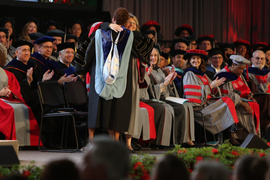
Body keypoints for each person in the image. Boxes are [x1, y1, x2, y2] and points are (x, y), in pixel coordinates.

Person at [75, 7, 154, 141]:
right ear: (126, 22)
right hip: (121, 78)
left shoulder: (99, 33)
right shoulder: (132, 36)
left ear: (113, 19)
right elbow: (148, 44)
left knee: (96, 109)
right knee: (116, 111)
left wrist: (81, 70)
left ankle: (91, 141)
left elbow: (86, 53)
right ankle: (115, 142)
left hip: (99, 77)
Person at [182, 49, 239, 140]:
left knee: (228, 100)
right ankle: (230, 132)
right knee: (226, 101)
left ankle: (230, 133)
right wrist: (211, 86)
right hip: (198, 107)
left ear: (201, 61)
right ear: (189, 60)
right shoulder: (189, 74)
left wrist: (215, 87)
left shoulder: (202, 75)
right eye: (193, 58)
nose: (196, 60)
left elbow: (211, 89)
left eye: (198, 59)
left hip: (206, 103)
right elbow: (193, 96)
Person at [149, 47, 196, 147]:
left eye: (156, 55)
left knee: (187, 105)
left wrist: (170, 83)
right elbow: (149, 90)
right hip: (155, 98)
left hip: (166, 97)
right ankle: (166, 142)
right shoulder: (146, 70)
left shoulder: (160, 70)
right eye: (151, 55)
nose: (154, 58)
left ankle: (185, 138)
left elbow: (168, 88)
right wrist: (164, 84)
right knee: (177, 108)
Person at [0, 43, 40, 146]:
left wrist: (9, 92)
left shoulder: (6, 73)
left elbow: (15, 88)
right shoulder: (10, 69)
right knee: (10, 109)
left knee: (24, 107)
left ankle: (24, 143)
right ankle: (10, 142)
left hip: (6, 99)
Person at [214, 55, 260, 141]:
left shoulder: (237, 74)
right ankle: (241, 138)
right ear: (233, 65)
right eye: (239, 68)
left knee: (254, 105)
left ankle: (254, 137)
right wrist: (243, 104)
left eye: (243, 69)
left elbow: (245, 88)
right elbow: (228, 96)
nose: (241, 71)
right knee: (246, 108)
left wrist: (248, 96)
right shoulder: (224, 75)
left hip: (238, 100)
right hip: (225, 105)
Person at [246, 50, 270, 138]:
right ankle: (267, 126)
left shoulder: (267, 72)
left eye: (262, 58)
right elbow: (255, 91)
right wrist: (267, 83)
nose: (260, 60)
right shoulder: (247, 73)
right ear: (252, 59)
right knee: (267, 98)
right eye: (257, 58)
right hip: (257, 99)